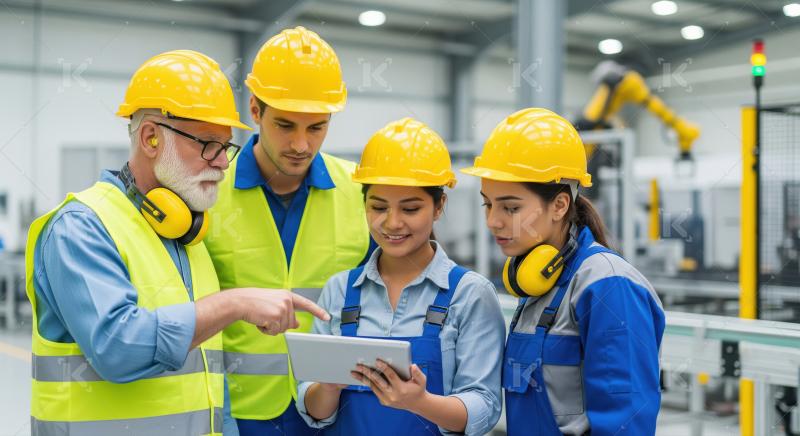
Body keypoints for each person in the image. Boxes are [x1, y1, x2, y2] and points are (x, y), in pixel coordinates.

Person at [25, 50, 329, 436]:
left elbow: (209, 383)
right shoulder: (80, 227)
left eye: (226, 147)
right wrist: (234, 303)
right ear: (151, 137)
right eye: (207, 145)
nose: (221, 162)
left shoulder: (187, 238)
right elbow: (119, 349)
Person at [203, 26, 375, 435]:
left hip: (334, 413)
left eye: (316, 127)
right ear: (255, 111)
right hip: (238, 417)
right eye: (285, 125)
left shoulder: (361, 191)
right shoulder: (207, 192)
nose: (301, 144)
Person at [461, 107, 665, 435]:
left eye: (511, 207)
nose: (493, 221)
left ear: (559, 205)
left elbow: (625, 424)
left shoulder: (608, 287)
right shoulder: (538, 280)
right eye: (488, 204)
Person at [296, 118, 506, 435]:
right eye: (378, 207)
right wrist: (327, 387)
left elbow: (484, 407)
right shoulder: (339, 291)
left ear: (439, 207)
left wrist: (420, 402)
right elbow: (315, 412)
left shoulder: (470, 295)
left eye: (410, 209)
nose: (392, 223)